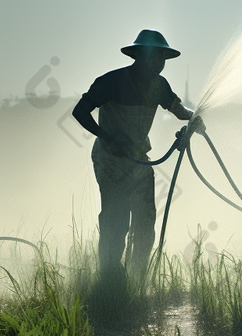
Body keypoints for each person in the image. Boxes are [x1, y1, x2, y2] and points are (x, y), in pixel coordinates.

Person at [73, 29, 193, 273]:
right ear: (137, 55)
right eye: (153, 56)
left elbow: (178, 110)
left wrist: (194, 119)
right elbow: (80, 111)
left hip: (140, 160)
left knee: (146, 219)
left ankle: (138, 277)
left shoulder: (160, 86)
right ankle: (110, 276)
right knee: (116, 219)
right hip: (110, 159)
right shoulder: (111, 81)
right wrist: (108, 138)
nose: (158, 63)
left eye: (162, 59)